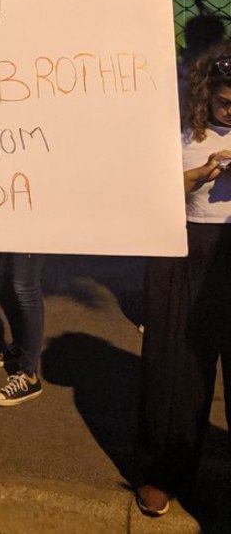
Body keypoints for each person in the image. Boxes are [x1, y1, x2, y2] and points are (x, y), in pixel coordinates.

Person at [136, 40, 231, 517]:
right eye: (224, 101)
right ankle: (164, 470)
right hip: (187, 250)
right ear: (208, 94)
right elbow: (152, 193)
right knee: (176, 367)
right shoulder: (181, 133)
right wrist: (197, 176)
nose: (230, 111)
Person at [0, 253, 45, 406]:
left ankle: (29, 375)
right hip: (9, 229)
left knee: (25, 287)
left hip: (31, 231)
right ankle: (20, 347)